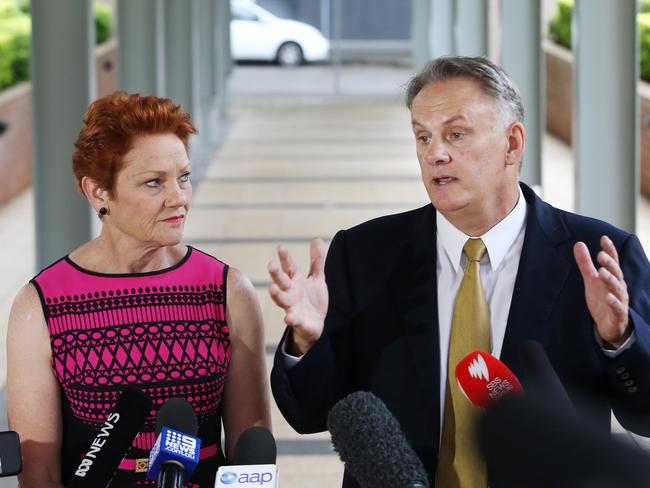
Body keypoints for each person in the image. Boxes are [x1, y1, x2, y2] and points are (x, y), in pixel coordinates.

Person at [268, 56, 650, 487]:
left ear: (513, 143)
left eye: (456, 134)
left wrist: (621, 340)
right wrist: (306, 343)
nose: (436, 154)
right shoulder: (363, 253)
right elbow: (308, 413)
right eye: (423, 137)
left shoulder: (599, 256)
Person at [7, 92, 271, 487]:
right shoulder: (40, 306)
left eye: (183, 177)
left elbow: (250, 451)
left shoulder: (228, 291)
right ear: (98, 192)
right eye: (153, 183)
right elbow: (38, 471)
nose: (178, 197)